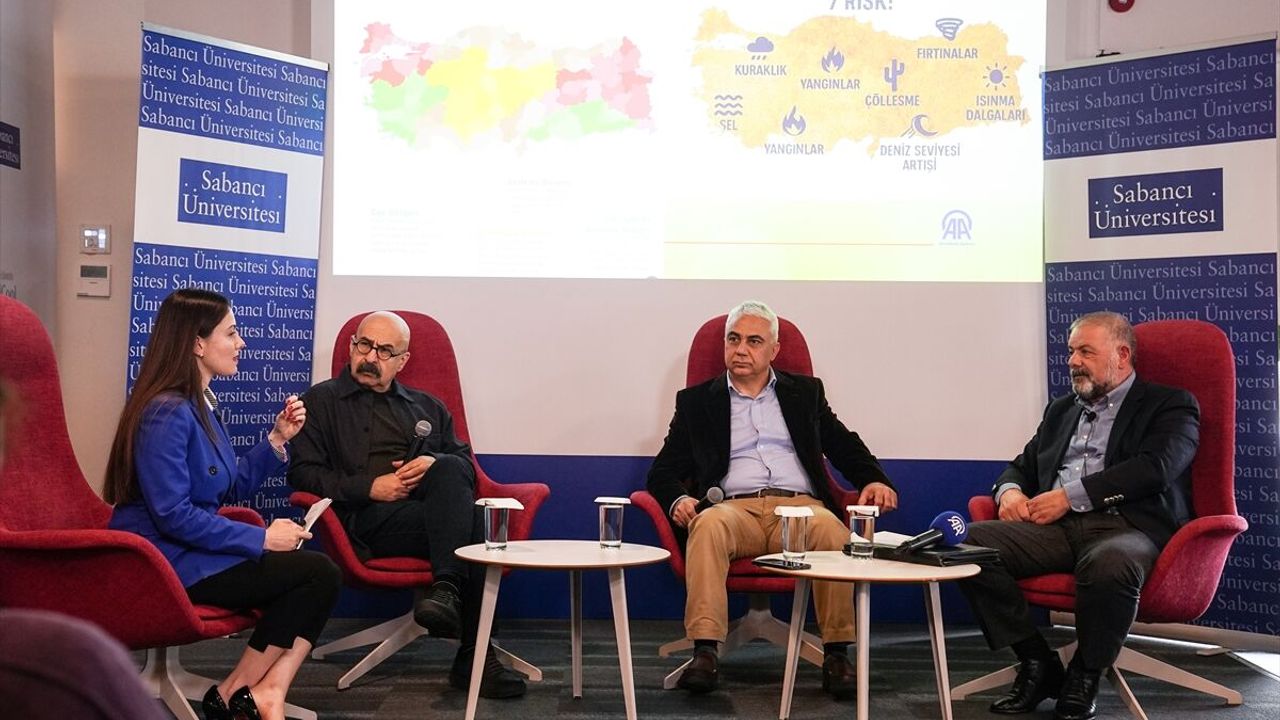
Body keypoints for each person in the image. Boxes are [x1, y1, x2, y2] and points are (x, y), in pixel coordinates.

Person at [105, 288, 341, 720]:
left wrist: (277, 439)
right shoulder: (166, 413)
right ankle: (242, 692)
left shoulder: (199, 406)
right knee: (315, 573)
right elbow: (173, 515)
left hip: (192, 551)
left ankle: (258, 692)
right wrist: (262, 538)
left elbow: (225, 489)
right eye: (231, 333)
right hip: (163, 562)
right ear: (197, 343)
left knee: (317, 575)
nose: (241, 343)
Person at [647, 300, 899, 698]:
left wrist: (874, 479)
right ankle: (705, 652)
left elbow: (843, 444)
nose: (740, 350)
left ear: (774, 350)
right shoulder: (697, 402)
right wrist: (678, 499)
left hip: (801, 509)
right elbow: (662, 471)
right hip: (733, 509)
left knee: (834, 533)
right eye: (733, 339)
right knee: (707, 525)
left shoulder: (805, 394)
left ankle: (837, 654)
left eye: (753, 341)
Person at [956, 311, 1199, 720]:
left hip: (1126, 526)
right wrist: (1009, 491)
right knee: (965, 545)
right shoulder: (1061, 410)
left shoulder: (1169, 404)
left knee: (1109, 565)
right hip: (1054, 529)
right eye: (1071, 351)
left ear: (1122, 356)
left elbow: (1156, 467)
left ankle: (1085, 673)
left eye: (1086, 352)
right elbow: (1022, 465)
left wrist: (1070, 497)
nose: (1072, 361)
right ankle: (1037, 662)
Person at [287, 310, 526, 698]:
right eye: (364, 345)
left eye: (385, 351)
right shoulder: (319, 401)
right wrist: (369, 487)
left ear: (403, 361)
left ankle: (447, 592)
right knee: (478, 525)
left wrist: (433, 464)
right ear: (352, 347)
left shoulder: (427, 407)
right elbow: (302, 475)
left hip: (428, 518)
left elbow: (466, 468)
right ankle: (474, 653)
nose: (371, 357)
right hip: (365, 523)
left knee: (451, 467)